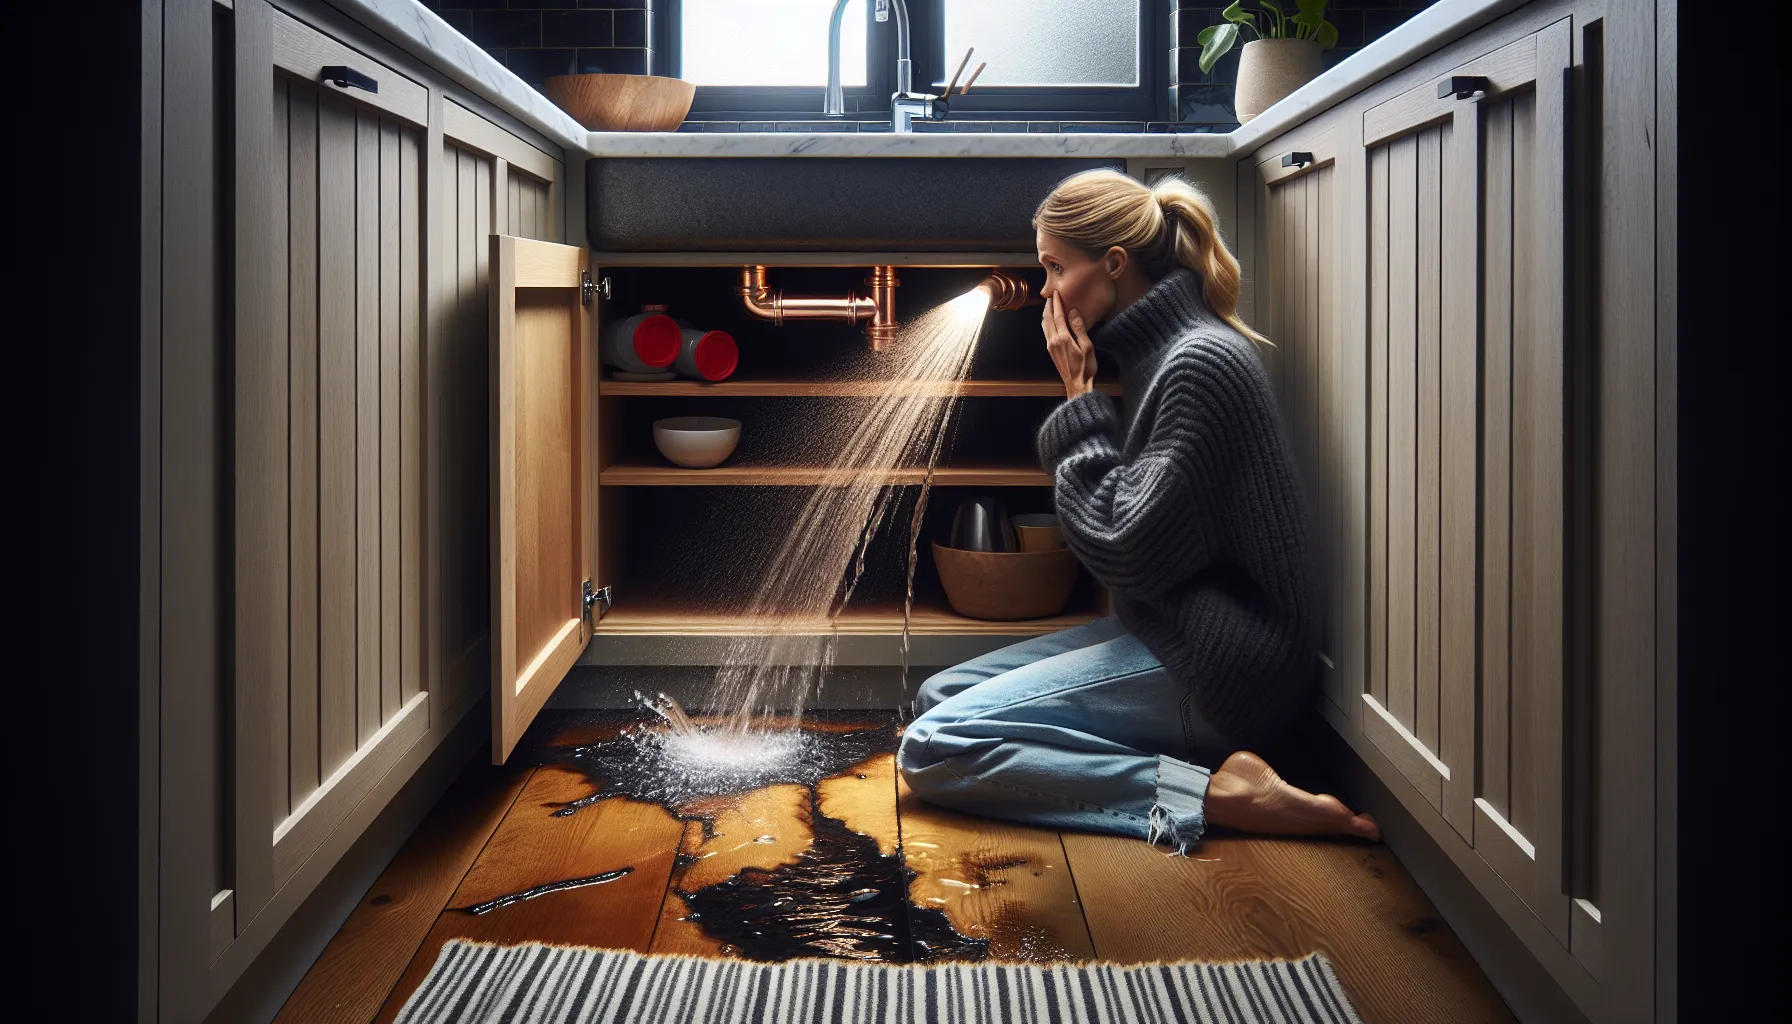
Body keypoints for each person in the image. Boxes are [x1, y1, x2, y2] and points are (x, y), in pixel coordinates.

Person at [898, 169, 1378, 853]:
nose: (1044, 290)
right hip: (1171, 630)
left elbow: (1123, 546)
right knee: (938, 703)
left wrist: (1078, 397)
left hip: (1225, 667)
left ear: (1114, 265)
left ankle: (1213, 793)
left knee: (934, 747)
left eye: (1055, 267)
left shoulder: (1199, 364)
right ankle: (1169, 764)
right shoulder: (1161, 352)